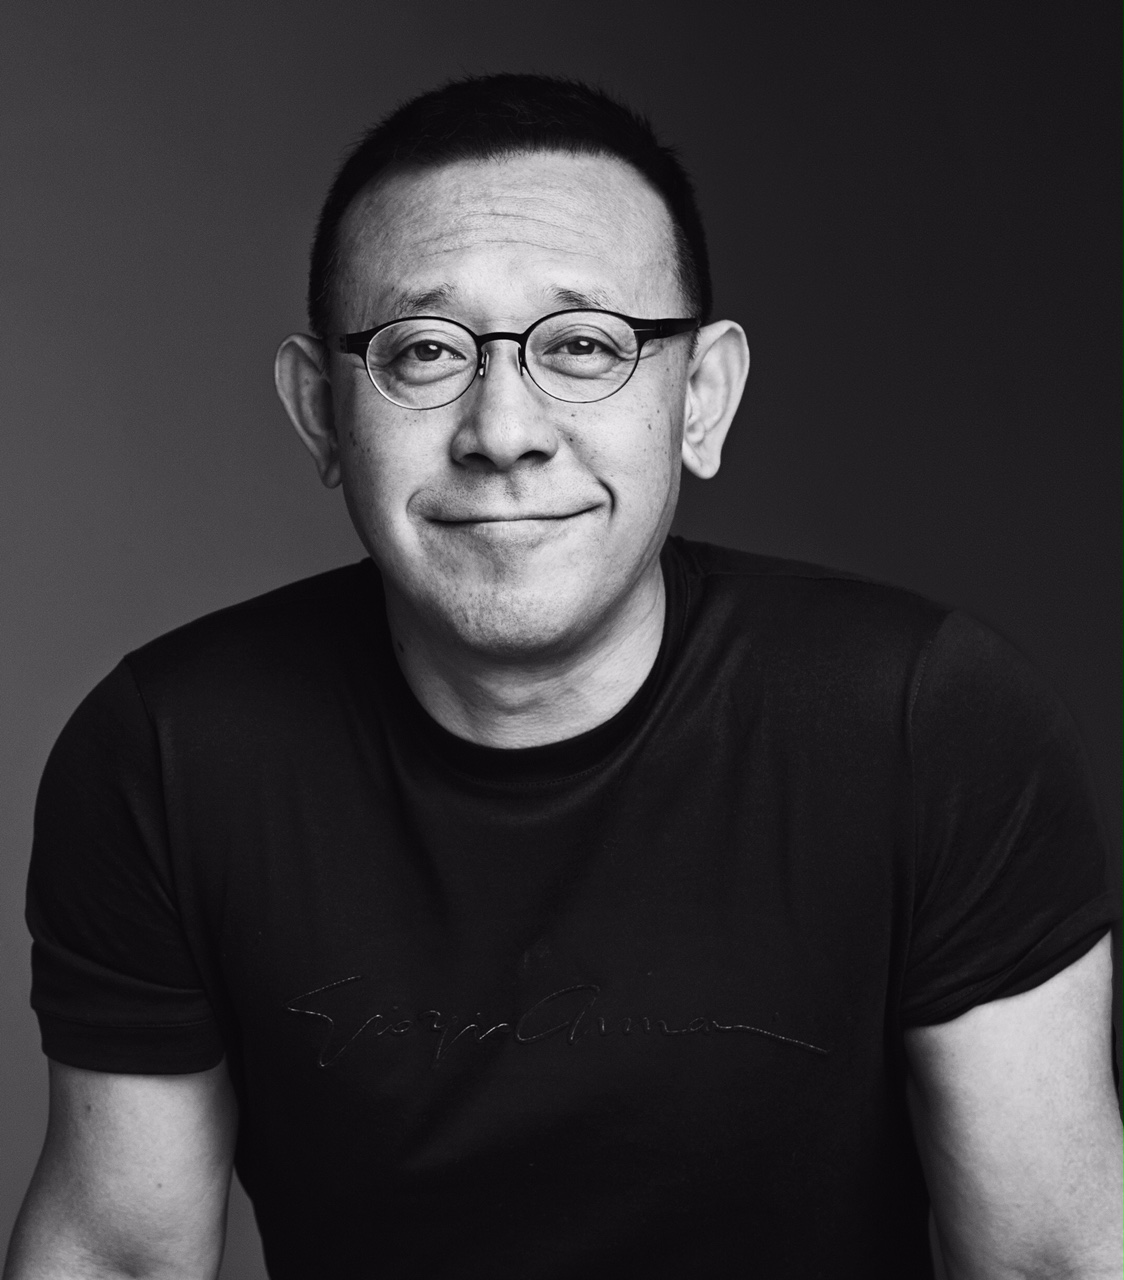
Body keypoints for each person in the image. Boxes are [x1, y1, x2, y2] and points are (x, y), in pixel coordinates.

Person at [5, 73, 1123, 1280]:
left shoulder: (926, 722)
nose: (503, 430)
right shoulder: (171, 752)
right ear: (322, 410)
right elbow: (117, 1252)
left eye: (582, 345)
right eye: (422, 350)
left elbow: (1051, 1257)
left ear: (699, 397)